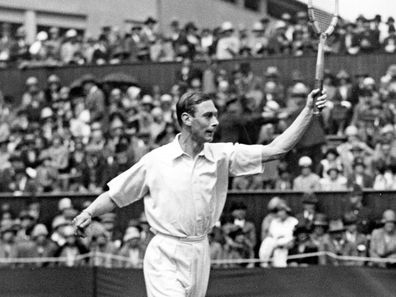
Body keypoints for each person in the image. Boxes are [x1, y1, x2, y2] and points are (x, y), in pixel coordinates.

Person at [73, 89, 326, 297]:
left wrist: (308, 111)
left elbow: (276, 150)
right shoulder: (156, 161)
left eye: (216, 115)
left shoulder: (222, 155)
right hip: (164, 253)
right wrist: (89, 212)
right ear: (186, 119)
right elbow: (117, 194)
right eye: (208, 116)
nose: (216, 122)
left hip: (200, 252)